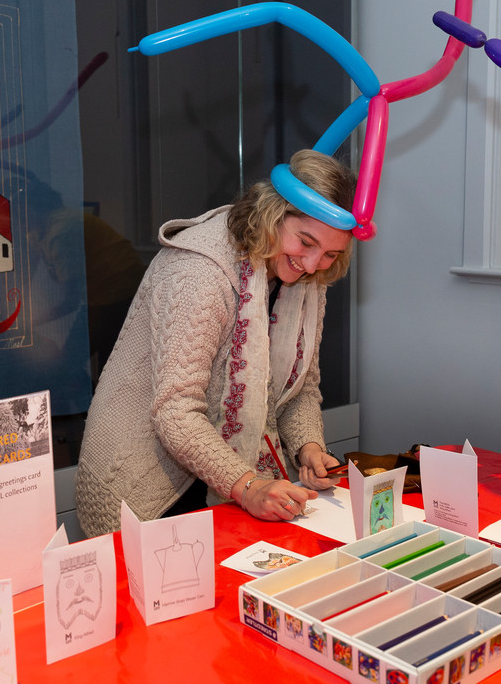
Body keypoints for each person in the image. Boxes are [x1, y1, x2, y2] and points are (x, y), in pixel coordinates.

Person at [75, 149, 354, 536]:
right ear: (273, 214)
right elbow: (176, 411)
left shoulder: (305, 279)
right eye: (305, 242)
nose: (311, 265)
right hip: (143, 487)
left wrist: (308, 448)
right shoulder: (200, 271)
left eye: (330, 254)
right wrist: (250, 486)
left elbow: (299, 386)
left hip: (225, 478)